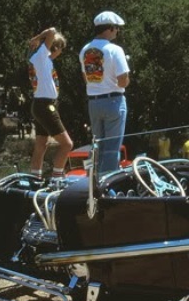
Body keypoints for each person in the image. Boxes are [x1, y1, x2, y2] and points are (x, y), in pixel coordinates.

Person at [79, 11, 130, 174]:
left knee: (98, 146)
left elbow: (86, 78)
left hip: (93, 102)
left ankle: (93, 182)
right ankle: (109, 188)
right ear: (109, 29)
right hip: (113, 101)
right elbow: (123, 81)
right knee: (111, 148)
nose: (117, 31)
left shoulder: (85, 50)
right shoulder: (115, 50)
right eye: (116, 28)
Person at [28, 26, 74, 183]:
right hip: (45, 105)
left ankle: (34, 178)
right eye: (60, 48)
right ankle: (56, 179)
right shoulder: (41, 56)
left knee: (41, 143)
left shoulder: (43, 61)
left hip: (40, 104)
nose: (60, 52)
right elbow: (53, 30)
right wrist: (37, 37)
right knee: (67, 144)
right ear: (56, 47)